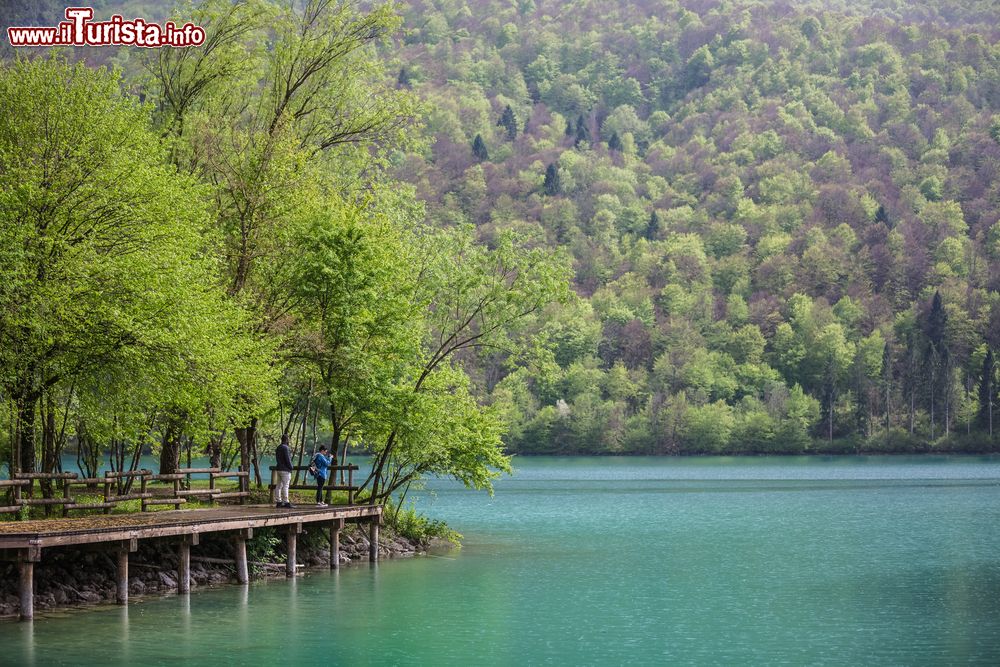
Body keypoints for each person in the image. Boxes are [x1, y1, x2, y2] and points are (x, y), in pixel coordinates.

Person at [275, 433, 294, 508]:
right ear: (287, 439)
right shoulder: (285, 448)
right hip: (285, 469)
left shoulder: (278, 447)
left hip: (279, 468)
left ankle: (278, 501)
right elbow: (287, 459)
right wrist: (291, 467)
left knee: (279, 485)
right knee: (285, 486)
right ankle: (286, 502)